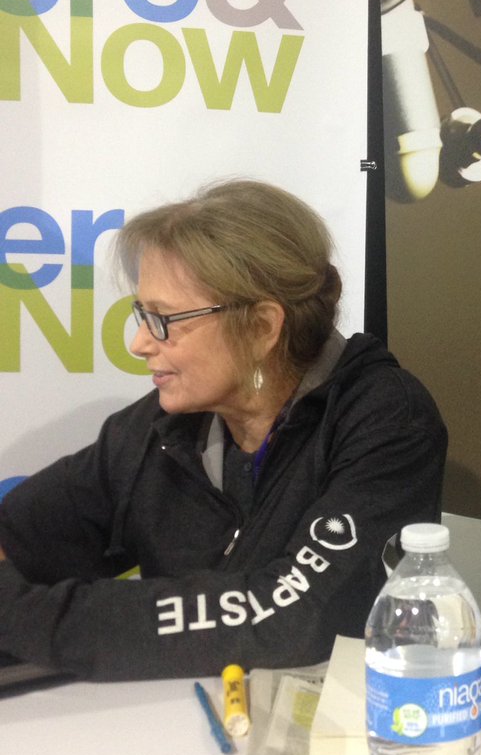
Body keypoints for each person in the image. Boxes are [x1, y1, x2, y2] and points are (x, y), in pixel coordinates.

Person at [0, 179, 447, 680]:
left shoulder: (386, 419)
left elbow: (291, 617)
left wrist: (23, 617)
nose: (139, 343)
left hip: (346, 739)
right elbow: (17, 534)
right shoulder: (161, 428)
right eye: (141, 314)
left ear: (261, 327)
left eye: (163, 319)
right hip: (168, 736)